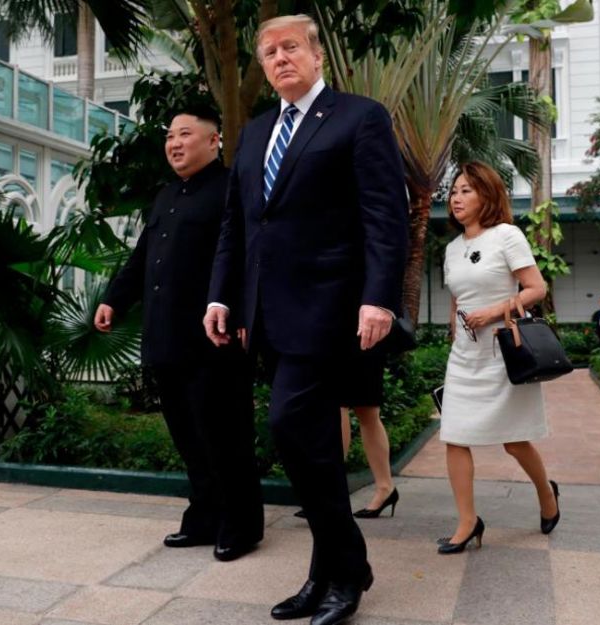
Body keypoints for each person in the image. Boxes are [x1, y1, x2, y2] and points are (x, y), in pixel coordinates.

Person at [202, 14, 408, 625]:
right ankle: (329, 571)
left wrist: (380, 298)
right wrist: (222, 296)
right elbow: (239, 224)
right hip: (268, 312)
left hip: (332, 307)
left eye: (290, 46)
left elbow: (384, 217)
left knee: (290, 424)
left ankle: (345, 567)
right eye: (268, 52)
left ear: (317, 56)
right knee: (309, 443)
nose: (279, 58)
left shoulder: (358, 117)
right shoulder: (257, 130)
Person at [95, 108, 263, 563]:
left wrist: (244, 313)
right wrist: (114, 298)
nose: (174, 143)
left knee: (226, 434)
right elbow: (141, 257)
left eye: (185, 134)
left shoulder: (233, 188)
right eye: (170, 135)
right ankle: (204, 516)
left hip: (215, 339)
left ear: (214, 141)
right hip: (166, 336)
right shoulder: (166, 194)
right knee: (188, 435)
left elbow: (248, 257)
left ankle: (242, 524)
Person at [436, 161, 561, 555]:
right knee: (454, 437)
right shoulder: (452, 249)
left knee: (514, 440)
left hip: (503, 352)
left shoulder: (507, 236)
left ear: (487, 196)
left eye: (466, 191)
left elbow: (536, 288)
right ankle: (467, 522)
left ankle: (547, 493)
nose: (456, 198)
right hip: (465, 356)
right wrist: (456, 337)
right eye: (454, 191)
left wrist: (492, 312)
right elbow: (457, 301)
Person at [294, 354, 399, 520]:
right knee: (342, 404)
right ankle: (331, 490)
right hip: (337, 336)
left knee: (363, 409)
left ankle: (381, 488)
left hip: (364, 335)